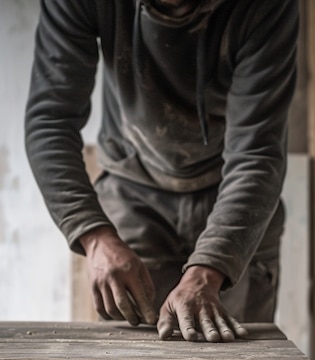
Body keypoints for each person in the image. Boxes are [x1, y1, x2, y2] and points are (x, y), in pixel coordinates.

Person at [25, 0, 298, 342]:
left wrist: (210, 270)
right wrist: (94, 236)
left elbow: (256, 152)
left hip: (231, 192)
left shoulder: (267, 7)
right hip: (132, 191)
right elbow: (51, 121)